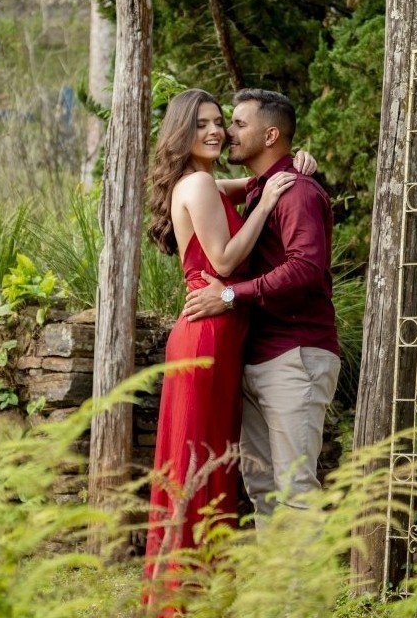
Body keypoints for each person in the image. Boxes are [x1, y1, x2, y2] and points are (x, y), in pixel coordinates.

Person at [141, 88, 316, 609]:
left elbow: (255, 181)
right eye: (202, 125)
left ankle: (199, 589)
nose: (216, 131)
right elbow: (221, 262)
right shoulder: (197, 183)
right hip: (208, 333)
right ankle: (185, 596)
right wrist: (266, 205)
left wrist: (297, 164)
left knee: (208, 460)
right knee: (198, 461)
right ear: (181, 132)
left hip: (219, 336)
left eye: (220, 121)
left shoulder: (205, 182)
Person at [183, 88, 341, 520]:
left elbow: (305, 269)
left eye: (238, 124)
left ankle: (311, 570)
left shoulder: (297, 192)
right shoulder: (260, 189)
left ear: (270, 135)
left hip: (295, 356)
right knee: (263, 490)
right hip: (256, 356)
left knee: (295, 487)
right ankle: (275, 569)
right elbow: (199, 188)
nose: (227, 132)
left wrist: (230, 295)